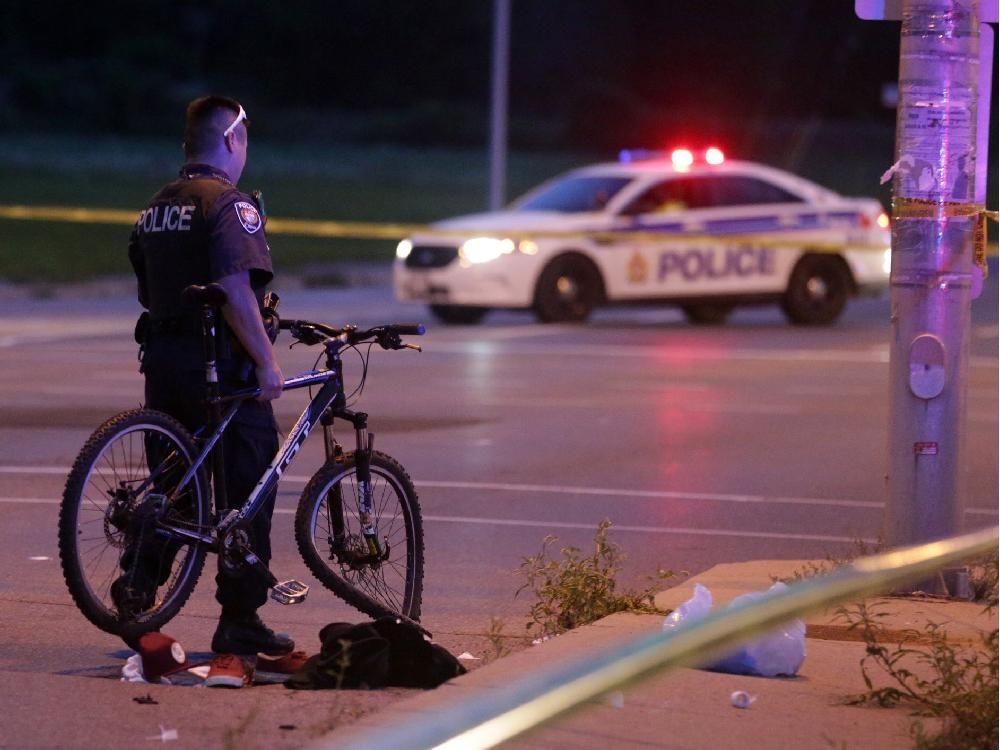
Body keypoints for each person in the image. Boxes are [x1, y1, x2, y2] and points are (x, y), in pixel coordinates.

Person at [121, 95, 292, 659]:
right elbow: (236, 289)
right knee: (248, 489)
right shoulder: (228, 204)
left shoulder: (157, 206)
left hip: (164, 365)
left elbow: (148, 288)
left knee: (171, 489)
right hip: (220, 369)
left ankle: (137, 589)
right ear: (232, 141)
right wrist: (267, 362)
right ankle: (240, 619)